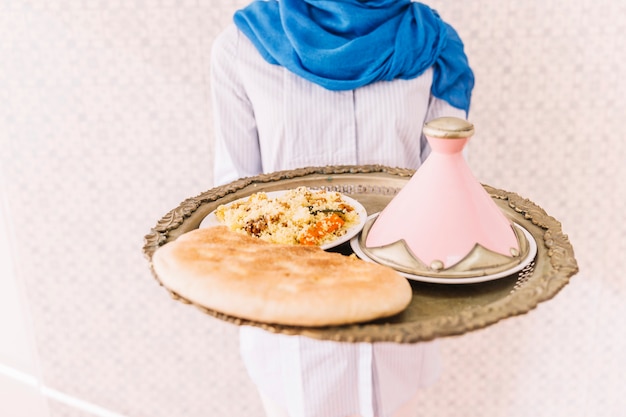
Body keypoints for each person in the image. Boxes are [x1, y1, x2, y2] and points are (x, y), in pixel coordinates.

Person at [209, 1, 474, 416]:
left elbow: (443, 183)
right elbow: (233, 199)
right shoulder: (243, 46)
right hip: (291, 330)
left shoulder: (429, 44)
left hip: (397, 319)